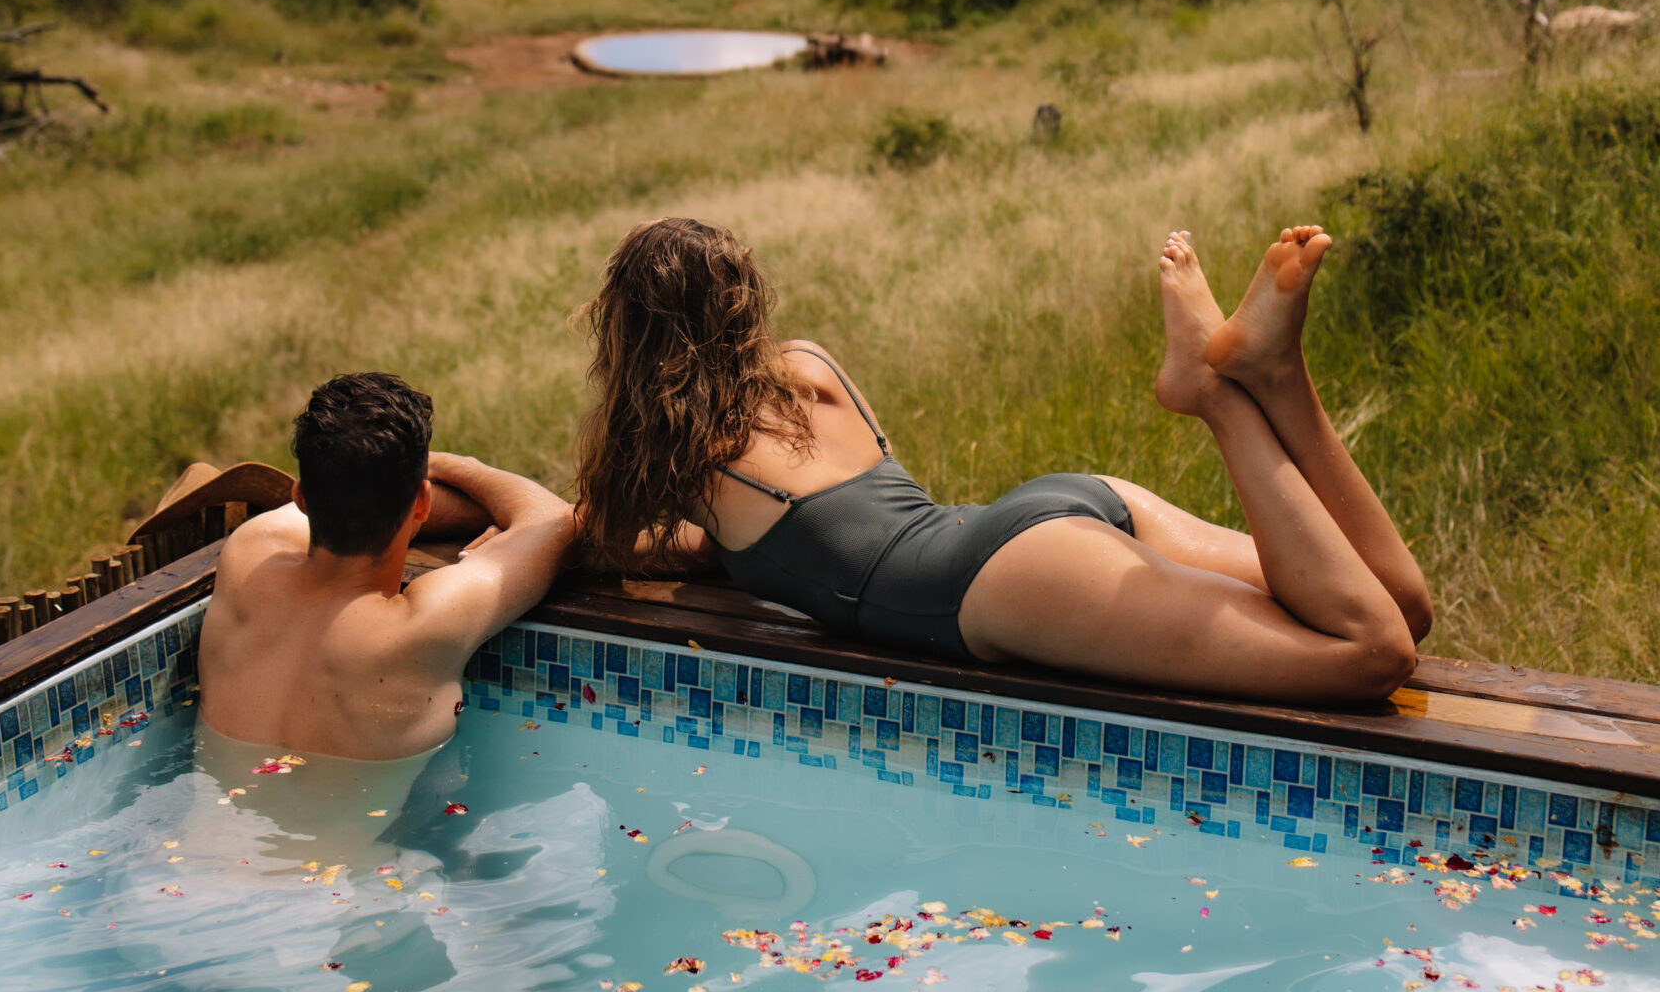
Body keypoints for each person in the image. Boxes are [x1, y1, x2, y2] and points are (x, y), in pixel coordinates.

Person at [573, 218, 1431, 708]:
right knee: (1397, 604)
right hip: (1041, 516)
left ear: (626, 335)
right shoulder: (810, 367)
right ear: (744, 301)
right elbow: (777, 537)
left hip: (999, 583)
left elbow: (581, 537)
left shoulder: (681, 456)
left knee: (1368, 650)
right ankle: (1279, 382)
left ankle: (1214, 393)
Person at [199, 370, 575, 760]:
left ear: (300, 497)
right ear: (423, 503)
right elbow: (557, 520)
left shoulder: (249, 553)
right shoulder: (423, 624)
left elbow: (349, 498)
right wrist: (456, 466)